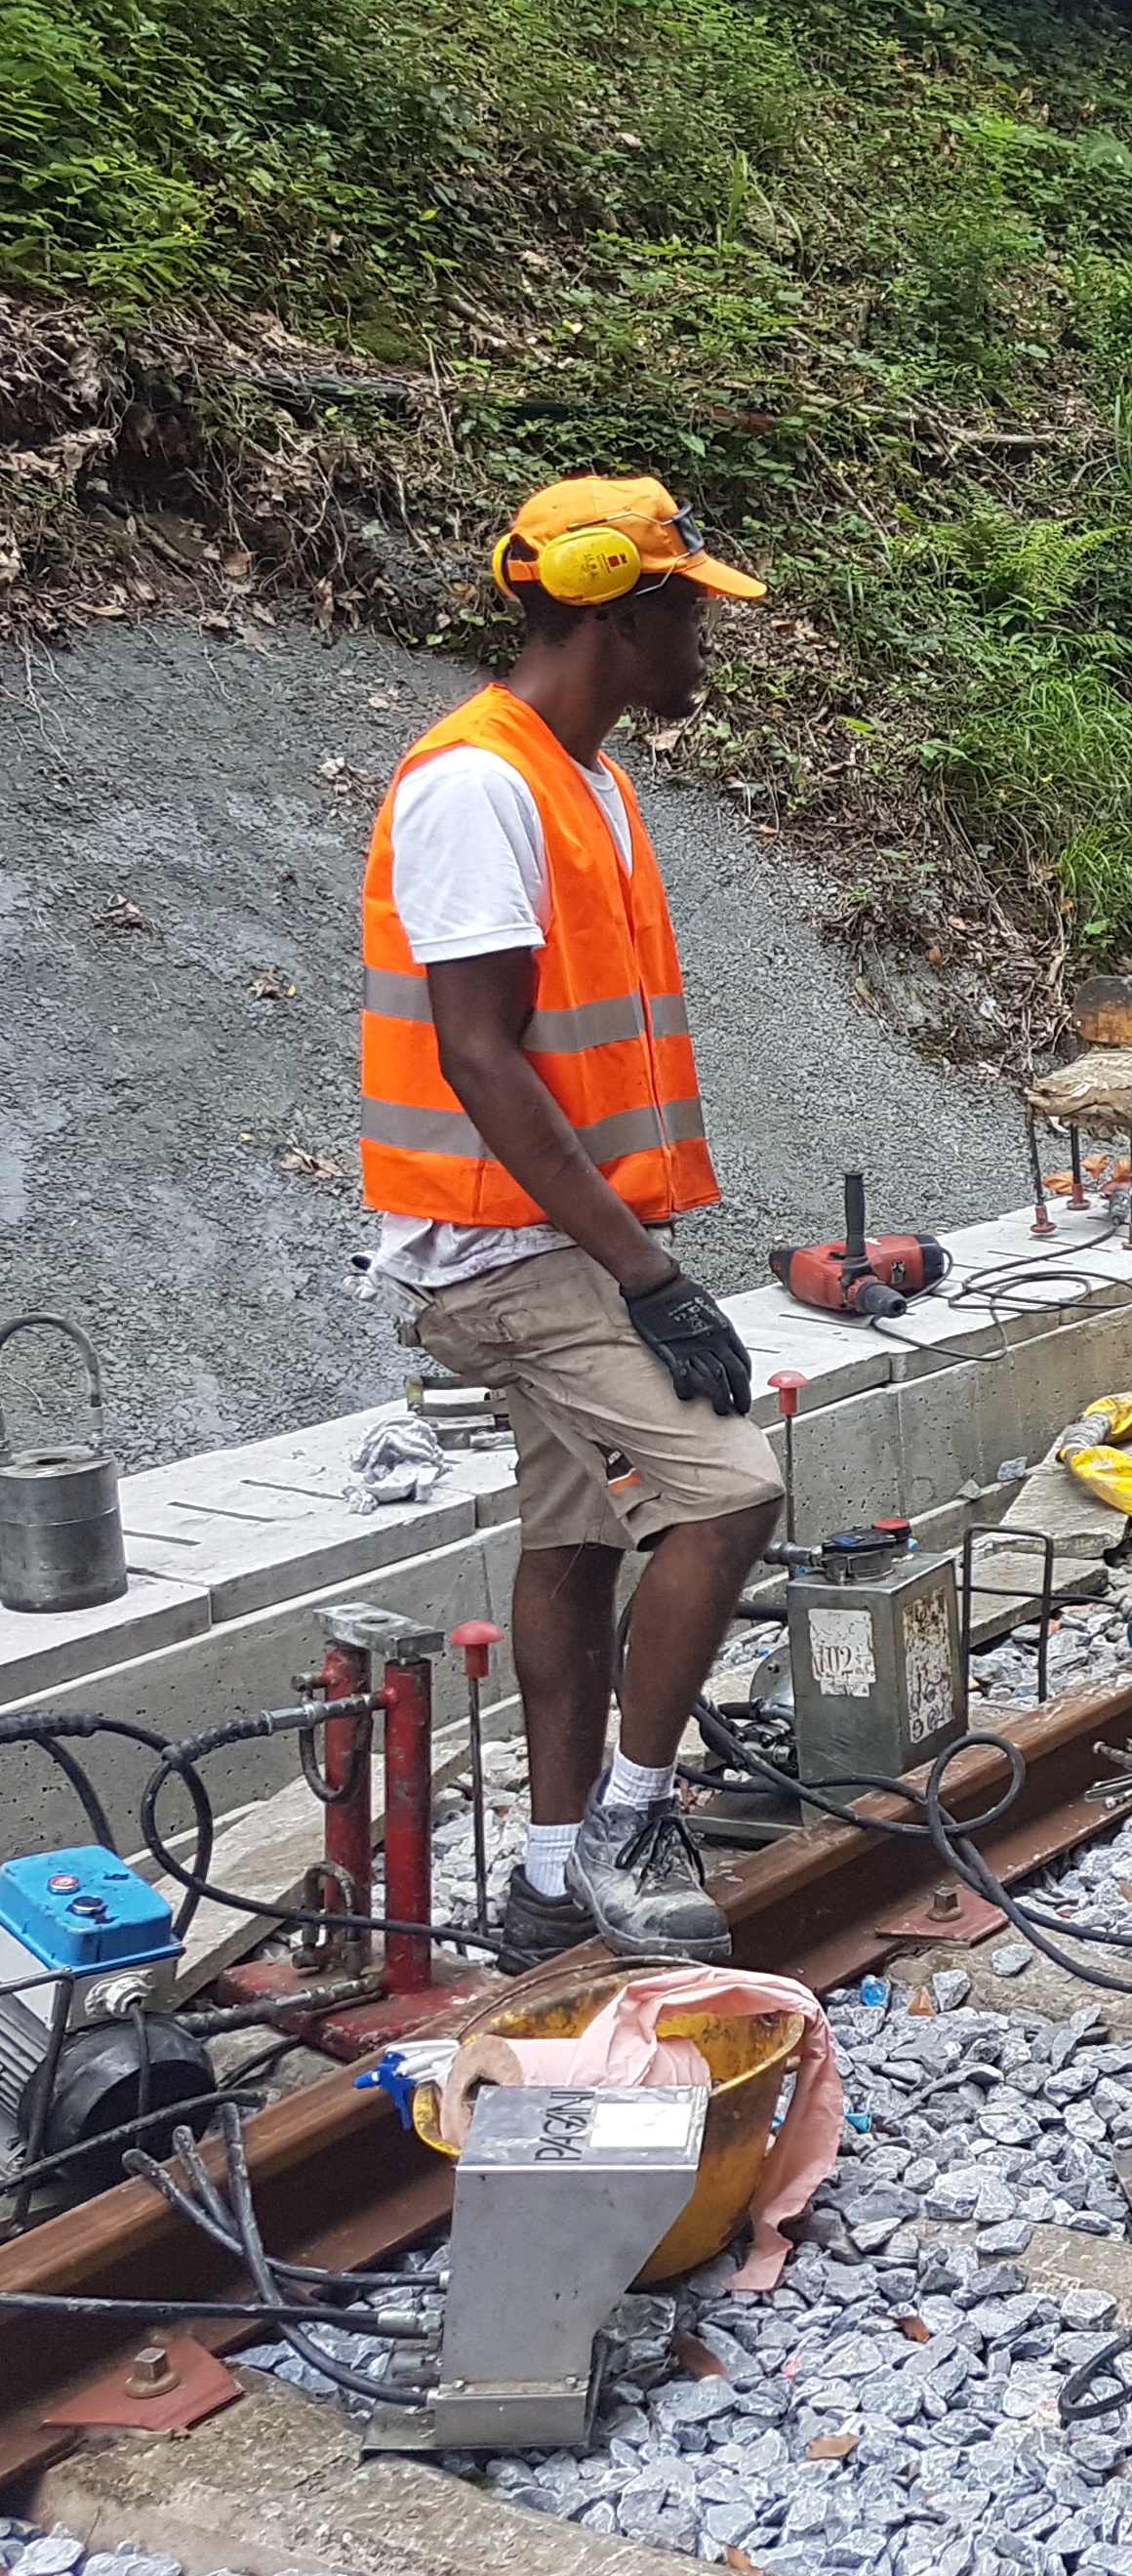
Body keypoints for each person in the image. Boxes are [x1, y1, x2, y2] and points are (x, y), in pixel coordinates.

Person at [357, 477, 778, 1966]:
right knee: (727, 1492)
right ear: (616, 609)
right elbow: (480, 1056)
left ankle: (546, 1881)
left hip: (563, 1238)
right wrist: (648, 1275)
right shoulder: (478, 787)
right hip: (503, 1250)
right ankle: (625, 1823)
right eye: (687, 612)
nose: (703, 646)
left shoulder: (585, 776)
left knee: (579, 1536)